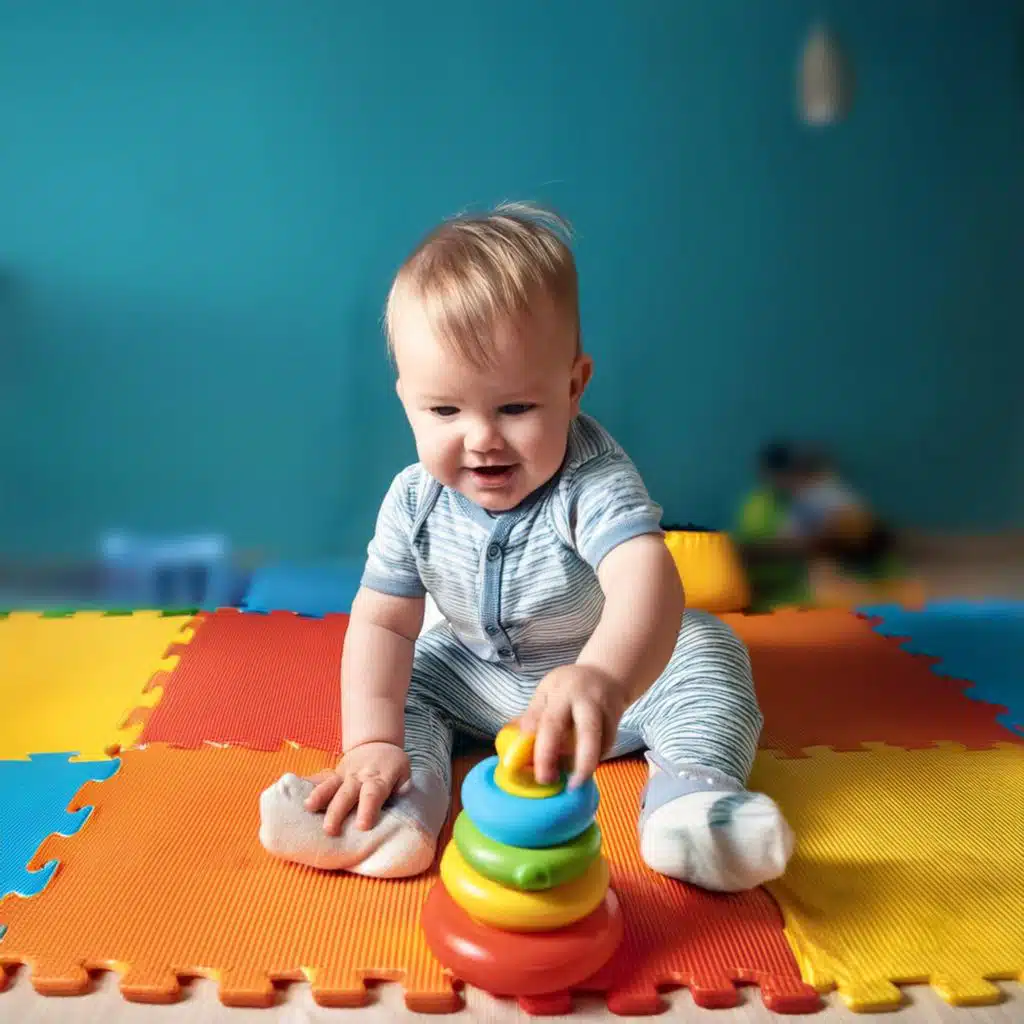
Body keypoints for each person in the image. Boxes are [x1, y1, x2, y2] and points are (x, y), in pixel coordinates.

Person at [259, 203, 793, 892]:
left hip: (610, 687)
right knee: (411, 674)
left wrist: (605, 677)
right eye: (445, 411)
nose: (480, 438)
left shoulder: (591, 478)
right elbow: (383, 621)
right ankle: (391, 809)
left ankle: (693, 805)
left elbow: (644, 581)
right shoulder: (413, 499)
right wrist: (369, 741)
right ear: (407, 401)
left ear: (573, 388)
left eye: (514, 408)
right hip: (475, 677)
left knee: (706, 649)